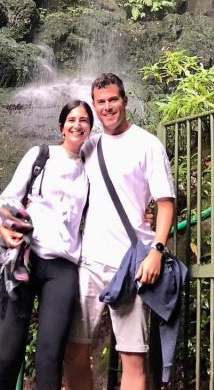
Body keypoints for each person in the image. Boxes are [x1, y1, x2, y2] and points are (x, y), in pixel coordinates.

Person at [65, 73, 176, 390]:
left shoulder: (147, 145)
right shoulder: (89, 147)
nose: (107, 107)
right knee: (73, 348)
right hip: (89, 261)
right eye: (100, 102)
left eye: (113, 99)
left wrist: (156, 250)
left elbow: (165, 204)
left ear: (125, 101)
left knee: (132, 357)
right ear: (94, 106)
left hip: (132, 264)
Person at [0, 99, 93, 390]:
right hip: (26, 258)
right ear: (62, 127)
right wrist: (3, 225)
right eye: (71, 120)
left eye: (84, 120)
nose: (77, 125)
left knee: (49, 355)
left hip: (62, 268)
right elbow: (10, 197)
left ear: (90, 129)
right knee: (10, 351)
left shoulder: (90, 169)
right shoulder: (41, 155)